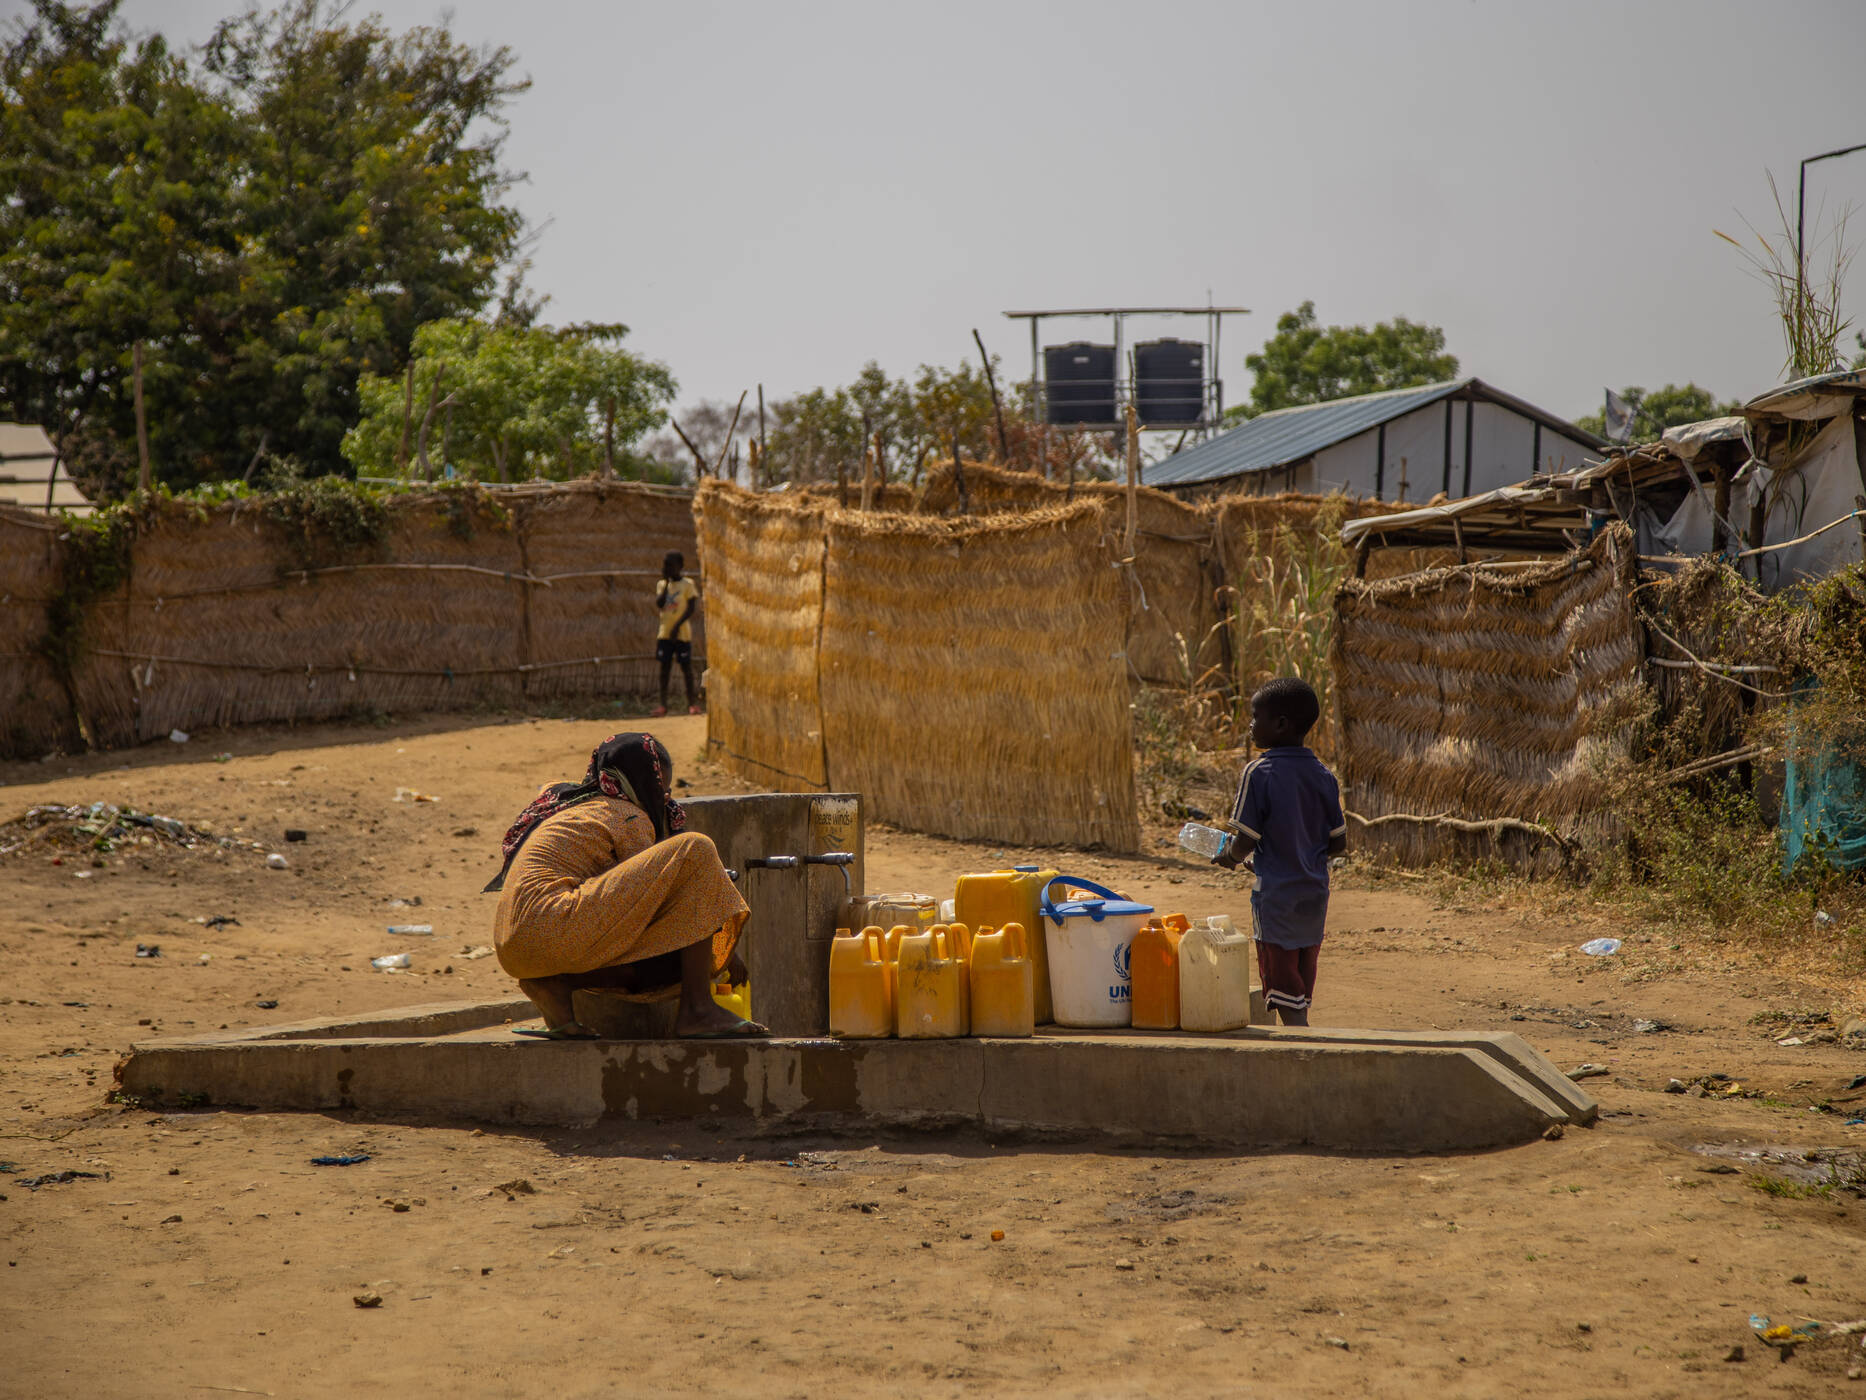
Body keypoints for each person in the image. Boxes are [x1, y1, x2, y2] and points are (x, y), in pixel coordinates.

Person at [484, 732, 766, 1039]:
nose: (666, 800)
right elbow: (667, 893)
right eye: (663, 789)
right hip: (553, 921)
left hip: (514, 944)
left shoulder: (575, 806)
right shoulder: (627, 815)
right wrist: (718, 933)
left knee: (671, 960)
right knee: (695, 850)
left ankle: (556, 985)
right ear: (644, 782)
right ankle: (698, 1010)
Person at [1212, 677, 1346, 1026]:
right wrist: (1298, 857)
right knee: (1300, 979)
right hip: (1314, 896)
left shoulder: (1259, 772)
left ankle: (1300, 1048)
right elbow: (1338, 843)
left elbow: (1243, 841)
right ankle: (1301, 1036)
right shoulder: (1323, 775)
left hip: (1275, 899)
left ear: (1281, 724)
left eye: (1256, 717)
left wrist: (1230, 857)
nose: (1251, 725)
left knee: (1283, 984)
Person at [653, 551, 700, 717]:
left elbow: (691, 608)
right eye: (665, 565)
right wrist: (666, 583)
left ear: (680, 566)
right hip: (664, 633)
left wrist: (677, 626)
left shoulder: (688, 585)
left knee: (686, 668)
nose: (666, 568)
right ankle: (663, 705)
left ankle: (692, 704)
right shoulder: (661, 584)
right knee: (664, 669)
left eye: (670, 565)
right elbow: (659, 603)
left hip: (682, 634)